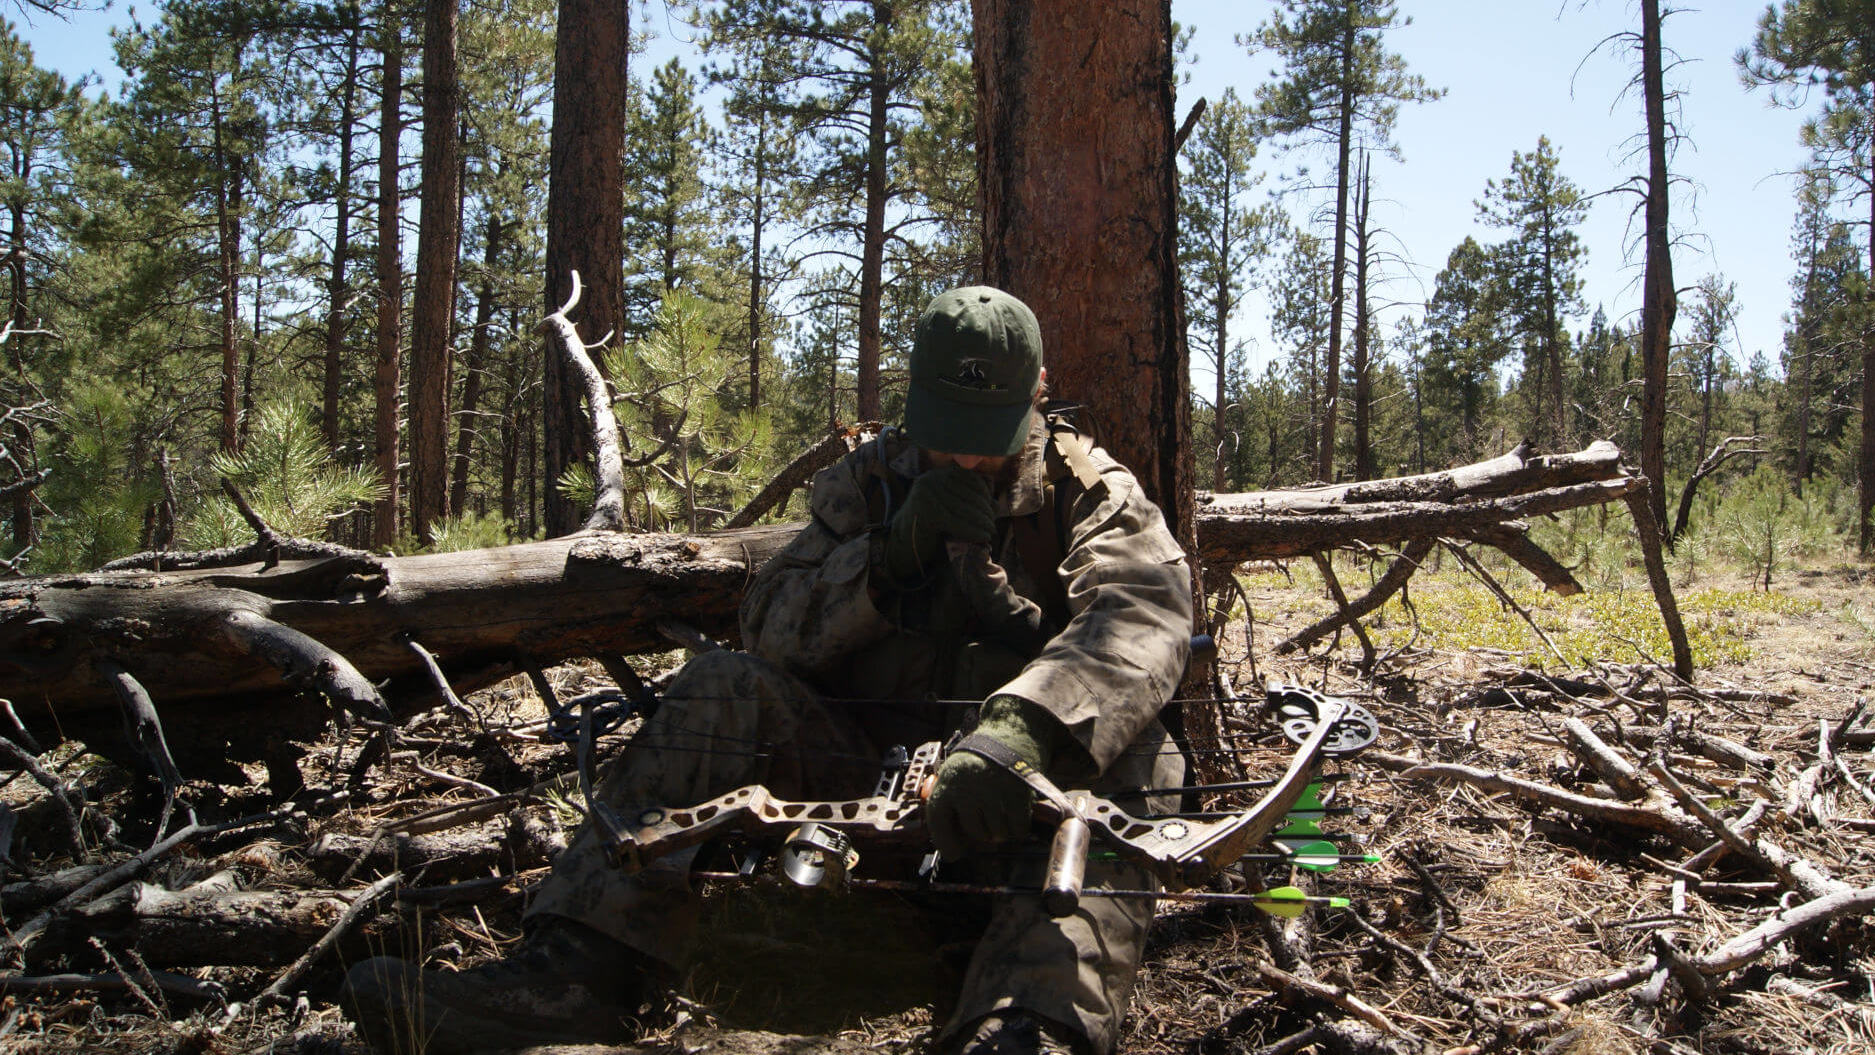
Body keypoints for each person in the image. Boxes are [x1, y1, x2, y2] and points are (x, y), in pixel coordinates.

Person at [344, 286, 1193, 1055]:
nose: (966, 460)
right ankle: (575, 972)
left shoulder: (1090, 490)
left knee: (1142, 752)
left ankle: (1027, 1023)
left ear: (1037, 392)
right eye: (948, 435)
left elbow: (1142, 616)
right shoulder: (868, 482)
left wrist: (1019, 733)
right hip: (857, 784)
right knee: (721, 684)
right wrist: (884, 562)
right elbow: (768, 625)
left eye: (987, 437)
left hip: (1017, 807)